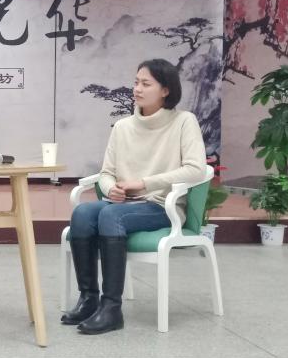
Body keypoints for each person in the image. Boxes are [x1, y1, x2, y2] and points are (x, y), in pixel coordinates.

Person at [62, 58, 206, 335]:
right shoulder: (123, 127)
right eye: (136, 82)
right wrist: (110, 188)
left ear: (165, 90)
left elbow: (195, 169)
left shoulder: (184, 122)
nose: (137, 89)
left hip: (161, 206)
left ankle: (111, 308)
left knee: (110, 215)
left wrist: (144, 183)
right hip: (124, 204)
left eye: (146, 84)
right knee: (82, 213)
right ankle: (89, 299)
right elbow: (107, 173)